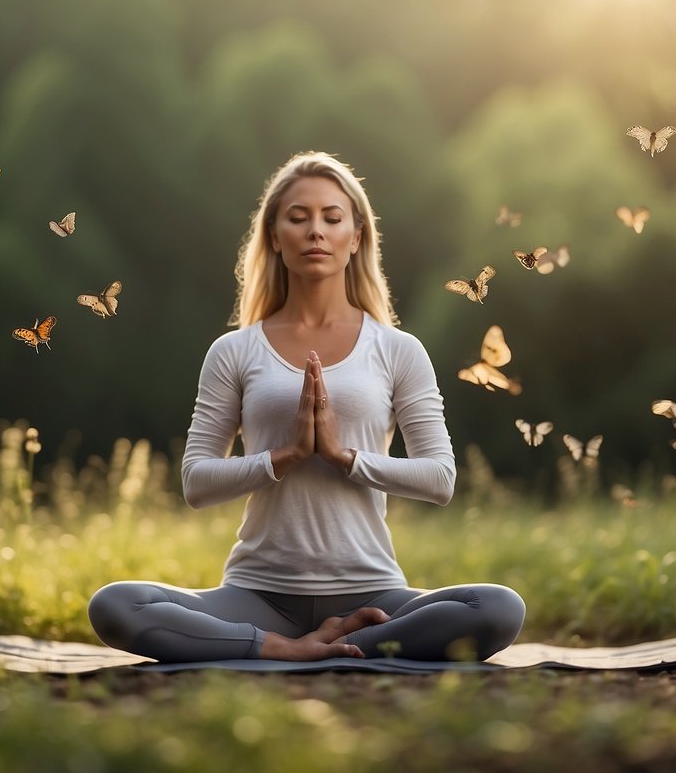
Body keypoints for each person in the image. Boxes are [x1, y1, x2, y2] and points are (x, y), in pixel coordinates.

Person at [88, 151, 525, 662]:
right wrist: (286, 455)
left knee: (497, 608)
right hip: (258, 595)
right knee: (116, 604)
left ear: (356, 237)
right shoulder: (235, 350)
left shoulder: (397, 349)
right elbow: (197, 483)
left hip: (372, 592)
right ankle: (282, 647)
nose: (315, 231)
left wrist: (344, 457)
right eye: (298, 218)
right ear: (274, 237)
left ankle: (333, 645)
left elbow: (440, 479)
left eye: (332, 218)